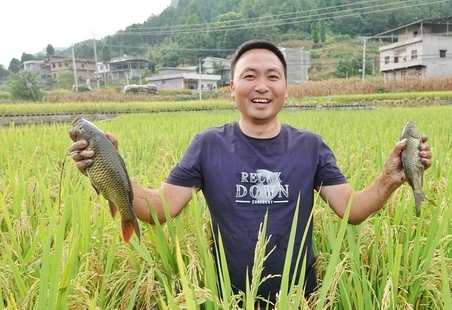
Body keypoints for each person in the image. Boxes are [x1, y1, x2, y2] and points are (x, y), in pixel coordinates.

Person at [69, 39, 432, 308]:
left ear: (285, 88)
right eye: (249, 76)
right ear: (232, 88)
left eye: (273, 76)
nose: (261, 85)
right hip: (226, 297)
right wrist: (110, 168)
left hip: (298, 297)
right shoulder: (207, 145)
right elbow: (157, 208)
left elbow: (352, 210)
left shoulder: (310, 146)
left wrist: (390, 177)